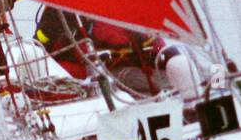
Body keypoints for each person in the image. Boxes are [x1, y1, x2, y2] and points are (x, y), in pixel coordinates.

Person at [34, 7, 181, 96]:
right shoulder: (61, 12)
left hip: (122, 73)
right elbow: (42, 51)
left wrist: (168, 58)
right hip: (87, 77)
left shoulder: (129, 5)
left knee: (176, 68)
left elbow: (157, 46)